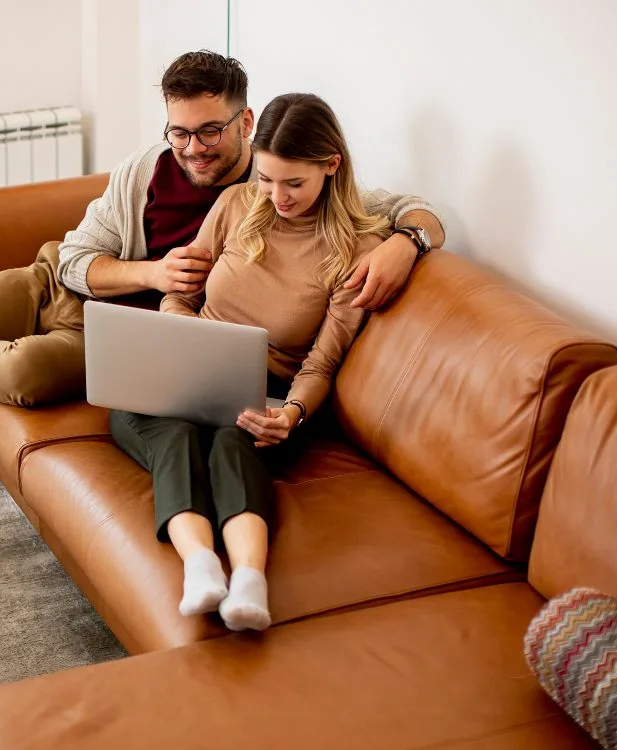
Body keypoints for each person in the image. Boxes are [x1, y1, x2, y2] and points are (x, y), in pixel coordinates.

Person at [0, 51, 445, 491]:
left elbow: (396, 208)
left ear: (245, 122)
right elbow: (78, 257)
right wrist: (153, 275)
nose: (193, 149)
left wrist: (408, 241)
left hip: (121, 333)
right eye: (179, 132)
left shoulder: (274, 182)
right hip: (60, 279)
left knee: (18, 374)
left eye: (210, 131)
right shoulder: (147, 169)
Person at [109, 92, 385, 632]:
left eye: (293, 183)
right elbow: (180, 294)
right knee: (172, 435)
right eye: (266, 179)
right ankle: (201, 567)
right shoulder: (236, 206)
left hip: (265, 389)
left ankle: (250, 582)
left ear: (331, 166)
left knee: (236, 443)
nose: (276, 196)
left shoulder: (357, 248)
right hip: (184, 364)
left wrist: (293, 416)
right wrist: (177, 324)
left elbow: (321, 365)